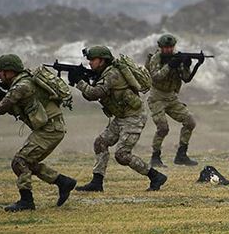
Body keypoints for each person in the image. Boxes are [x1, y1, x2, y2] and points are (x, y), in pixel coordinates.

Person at [0, 54, 76, 211]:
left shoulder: (21, 86)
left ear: (10, 72)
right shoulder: (24, 81)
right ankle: (63, 182)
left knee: (19, 162)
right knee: (28, 162)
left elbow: (0, 108)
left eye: (0, 71)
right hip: (51, 128)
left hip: (50, 130)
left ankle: (26, 202)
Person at [71, 45, 167, 192]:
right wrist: (83, 80)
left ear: (102, 60)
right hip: (122, 117)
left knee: (122, 155)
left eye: (92, 59)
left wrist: (80, 82)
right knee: (100, 143)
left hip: (134, 117)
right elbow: (92, 95)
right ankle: (97, 183)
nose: (89, 62)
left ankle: (155, 176)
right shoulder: (104, 73)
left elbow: (94, 93)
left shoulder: (112, 74)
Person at [145, 33, 203, 167]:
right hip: (157, 98)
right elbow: (156, 77)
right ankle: (155, 157)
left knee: (190, 122)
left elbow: (186, 78)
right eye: (165, 47)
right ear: (160, 47)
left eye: (171, 47)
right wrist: (170, 65)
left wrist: (188, 65)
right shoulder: (155, 59)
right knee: (163, 128)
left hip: (171, 97)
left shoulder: (177, 58)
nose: (168, 50)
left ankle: (181, 155)